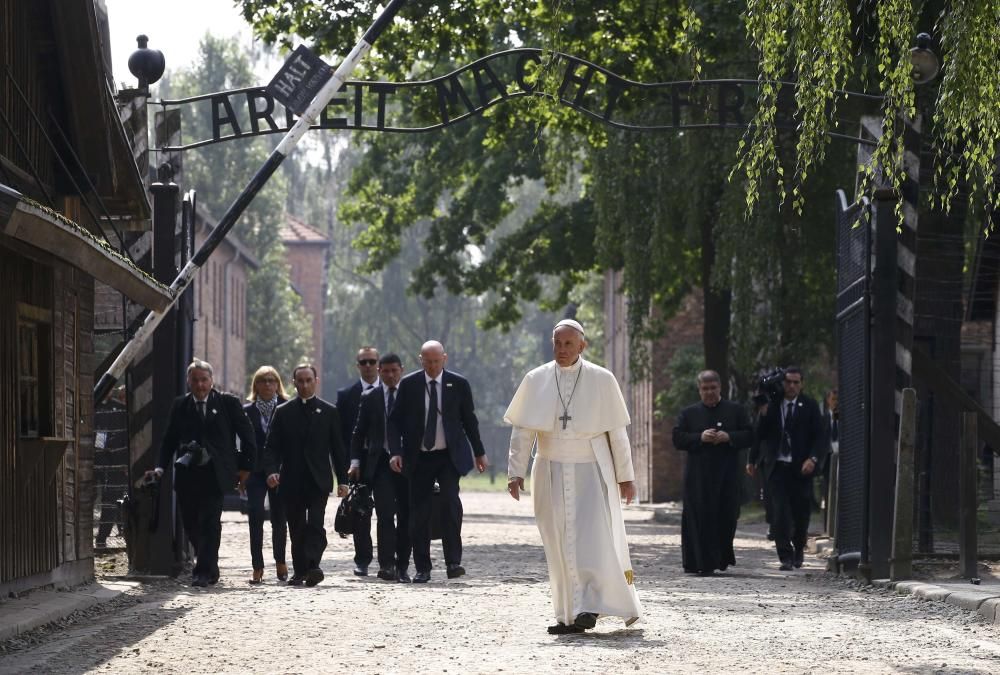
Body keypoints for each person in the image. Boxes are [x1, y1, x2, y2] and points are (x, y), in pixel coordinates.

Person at [505, 319, 641, 634]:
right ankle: (568, 612)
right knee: (557, 541)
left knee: (592, 540)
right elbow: (523, 431)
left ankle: (589, 607)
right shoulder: (535, 379)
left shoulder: (602, 380)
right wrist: (515, 472)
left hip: (592, 468)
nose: (561, 350)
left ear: (582, 345)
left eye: (568, 344)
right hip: (549, 467)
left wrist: (627, 477)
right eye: (557, 343)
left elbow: (617, 434)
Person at [149, 359, 256, 587]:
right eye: (195, 380)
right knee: (191, 524)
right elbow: (168, 440)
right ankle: (210, 564)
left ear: (211, 380)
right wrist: (160, 468)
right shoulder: (181, 405)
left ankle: (203, 571)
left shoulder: (227, 403)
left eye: (204, 380)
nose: (200, 385)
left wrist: (246, 467)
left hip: (215, 475)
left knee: (210, 522)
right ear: (188, 381)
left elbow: (247, 436)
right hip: (189, 475)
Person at [388, 340, 488, 583]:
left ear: (444, 358)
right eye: (428, 362)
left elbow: (469, 420)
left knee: (450, 503)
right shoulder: (409, 385)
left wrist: (479, 451)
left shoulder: (459, 384)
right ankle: (423, 567)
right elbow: (394, 421)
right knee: (419, 512)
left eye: (436, 361)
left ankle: (453, 562)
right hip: (418, 457)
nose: (432, 366)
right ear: (420, 360)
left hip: (448, 456)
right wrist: (396, 451)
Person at [263, 364, 348, 587]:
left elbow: (337, 449)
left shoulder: (329, 412)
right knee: (297, 526)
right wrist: (272, 470)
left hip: (318, 479)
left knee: (316, 525)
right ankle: (300, 571)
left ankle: (313, 565)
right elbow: (272, 446)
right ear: (294, 383)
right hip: (292, 478)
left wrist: (344, 480)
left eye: (309, 380)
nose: (305, 385)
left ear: (316, 381)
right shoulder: (283, 412)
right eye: (300, 381)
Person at [672, 370, 753, 576]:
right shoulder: (689, 414)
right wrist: (700, 437)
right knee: (698, 518)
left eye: (713, 388)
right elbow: (678, 439)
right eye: (705, 389)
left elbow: (751, 435)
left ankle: (720, 558)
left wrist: (729, 436)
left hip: (727, 474)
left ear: (720, 387)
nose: (709, 392)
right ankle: (698, 561)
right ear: (699, 390)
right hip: (698, 477)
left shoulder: (736, 411)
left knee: (726, 516)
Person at [747, 367, 825, 571]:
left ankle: (799, 548)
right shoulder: (772, 404)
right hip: (777, 467)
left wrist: (813, 459)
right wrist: (752, 459)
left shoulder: (809, 406)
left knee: (801, 514)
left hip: (800, 468)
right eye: (788, 382)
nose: (791, 386)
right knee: (780, 513)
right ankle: (785, 556)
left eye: (796, 382)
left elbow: (819, 436)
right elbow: (759, 434)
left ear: (801, 384)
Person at [349, 353, 412, 582]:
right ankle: (387, 565)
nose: (390, 375)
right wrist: (355, 461)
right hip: (380, 464)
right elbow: (358, 433)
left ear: (401, 370)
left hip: (407, 463)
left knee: (406, 515)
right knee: (385, 514)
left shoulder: (411, 394)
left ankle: (403, 565)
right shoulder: (370, 397)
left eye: (394, 370)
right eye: (385, 371)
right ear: (380, 372)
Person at [336, 346, 381, 576]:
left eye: (372, 361)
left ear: (379, 364)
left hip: (384, 459)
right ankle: (362, 559)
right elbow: (341, 434)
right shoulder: (346, 396)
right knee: (361, 510)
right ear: (358, 366)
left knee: (386, 509)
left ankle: (388, 560)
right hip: (358, 461)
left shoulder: (392, 391)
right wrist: (345, 466)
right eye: (363, 362)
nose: (368, 366)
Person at [243, 366, 289, 584]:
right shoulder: (247, 411)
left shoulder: (286, 409)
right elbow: (241, 443)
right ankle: (257, 566)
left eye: (272, 380)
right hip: (254, 472)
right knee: (255, 516)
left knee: (279, 518)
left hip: (278, 471)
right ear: (256, 385)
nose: (268, 384)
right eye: (263, 380)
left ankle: (280, 561)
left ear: (278, 384)